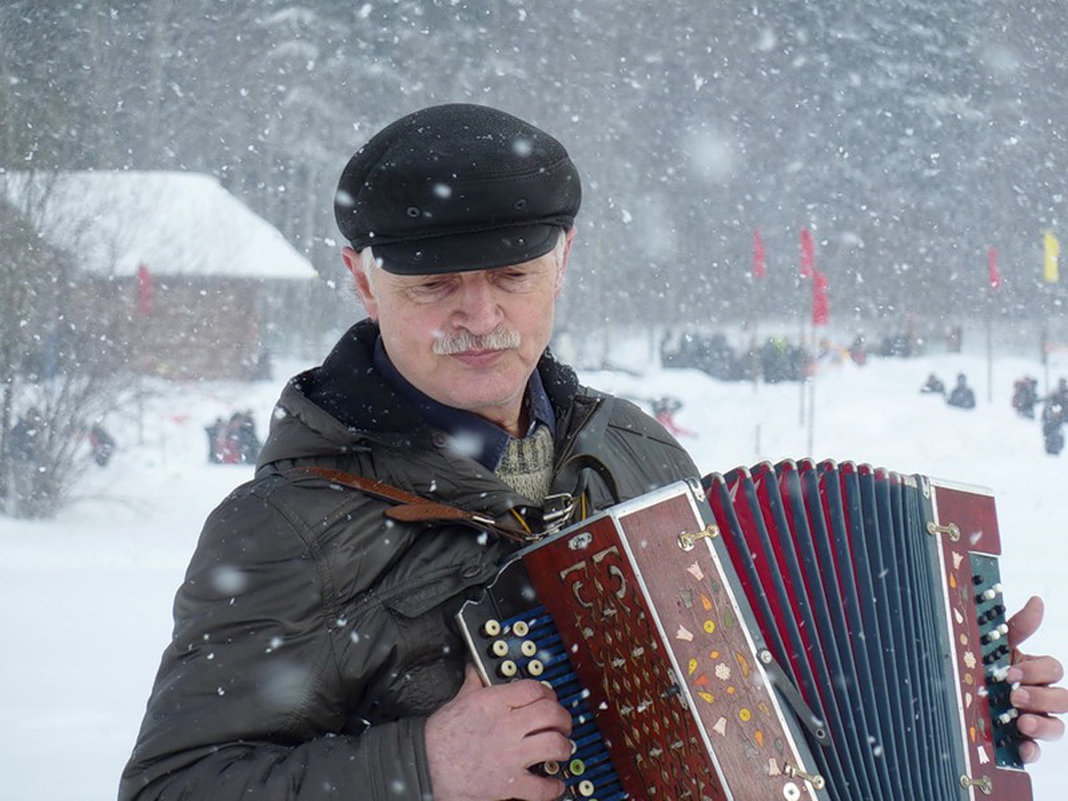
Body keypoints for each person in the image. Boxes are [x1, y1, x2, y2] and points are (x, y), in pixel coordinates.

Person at [120, 104, 1067, 800]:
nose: (480, 317)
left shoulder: (632, 449)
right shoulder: (290, 527)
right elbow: (172, 787)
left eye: (512, 276)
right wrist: (422, 767)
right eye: (435, 286)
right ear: (361, 281)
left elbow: (769, 689)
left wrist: (954, 699)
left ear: (563, 260)